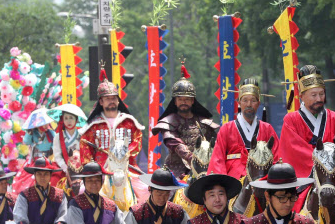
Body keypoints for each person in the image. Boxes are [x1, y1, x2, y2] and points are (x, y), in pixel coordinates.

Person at [278, 65, 335, 212]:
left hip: (334, 178)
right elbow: (293, 152)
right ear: (302, 95)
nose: (319, 99)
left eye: (321, 94)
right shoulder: (291, 120)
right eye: (314, 95)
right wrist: (323, 161)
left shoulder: (334, 117)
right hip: (307, 179)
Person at [79, 70, 144, 211]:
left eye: (114, 98)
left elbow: (137, 141)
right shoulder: (93, 125)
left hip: (126, 168)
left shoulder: (129, 122)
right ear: (101, 102)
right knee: (81, 192)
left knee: (145, 191)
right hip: (99, 170)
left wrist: (126, 153)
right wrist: (92, 167)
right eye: (107, 98)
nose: (112, 101)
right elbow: (85, 149)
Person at [151, 64, 219, 180]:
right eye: (180, 99)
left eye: (187, 99)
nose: (184, 102)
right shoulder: (168, 122)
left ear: (192, 101)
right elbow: (174, 143)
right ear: (175, 102)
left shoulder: (203, 122)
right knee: (168, 194)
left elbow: (215, 143)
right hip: (177, 170)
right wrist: (192, 158)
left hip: (204, 168)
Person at [207, 78, 280, 179]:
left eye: (253, 101)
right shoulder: (227, 129)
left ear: (258, 104)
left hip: (263, 176)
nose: (249, 105)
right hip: (234, 179)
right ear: (239, 103)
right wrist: (222, 182)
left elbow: (277, 157)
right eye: (245, 100)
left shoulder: (267, 129)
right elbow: (218, 159)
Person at [49, 103, 87, 174]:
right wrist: (64, 167)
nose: (68, 121)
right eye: (66, 118)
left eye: (71, 118)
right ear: (62, 120)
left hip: (81, 169)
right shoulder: (57, 137)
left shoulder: (82, 135)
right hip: (63, 170)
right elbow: (57, 156)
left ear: (76, 120)